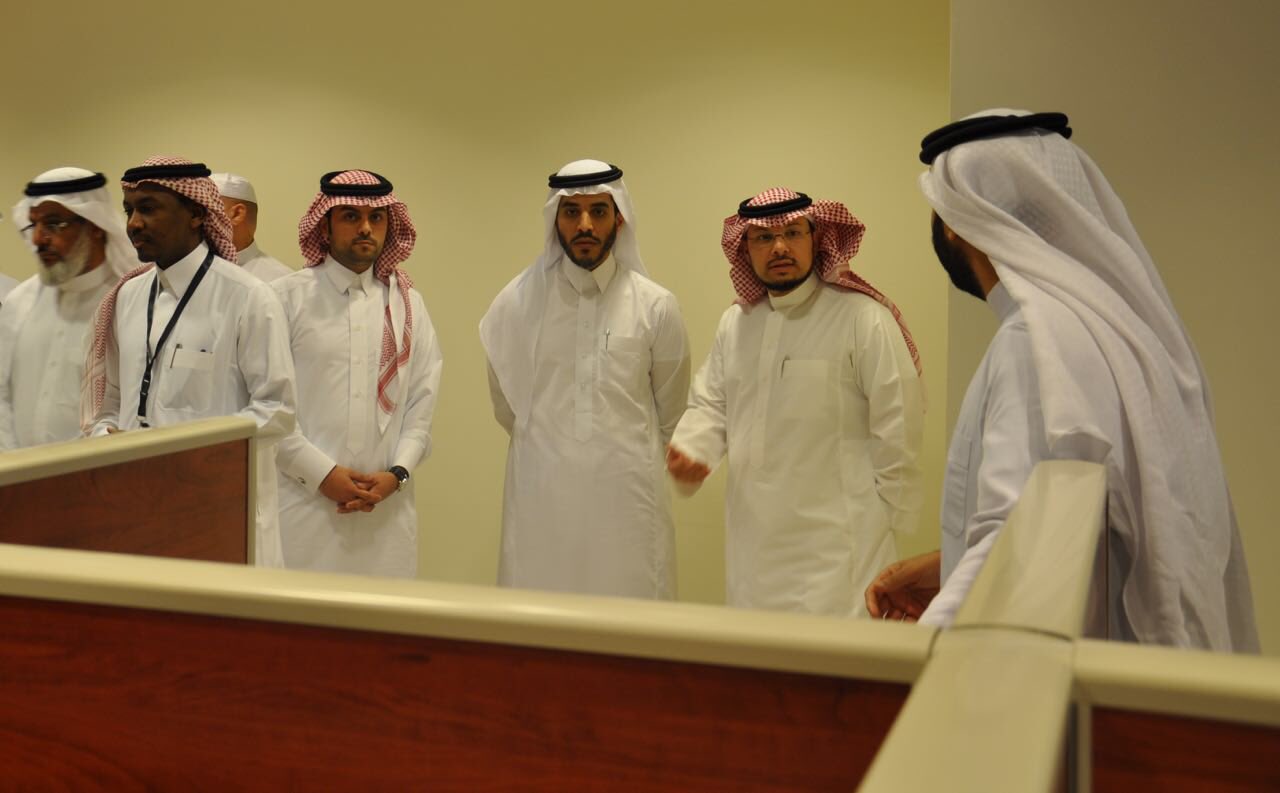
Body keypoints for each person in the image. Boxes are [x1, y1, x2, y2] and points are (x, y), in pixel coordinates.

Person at [865, 110, 1259, 652]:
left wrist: (910, 663)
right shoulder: (1108, 327)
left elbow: (1013, 541)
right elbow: (1067, 514)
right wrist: (948, 565)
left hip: (1059, 669)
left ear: (958, 218)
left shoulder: (1034, 342)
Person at [667, 188, 925, 617]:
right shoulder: (736, 324)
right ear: (745, 248)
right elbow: (712, 403)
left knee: (835, 655)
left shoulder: (862, 318)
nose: (779, 247)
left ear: (816, 237)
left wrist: (886, 521)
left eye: (792, 233)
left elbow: (898, 424)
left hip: (841, 553)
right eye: (764, 238)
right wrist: (693, 449)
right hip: (754, 550)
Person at [480, 159, 691, 597]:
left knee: (632, 619)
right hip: (541, 497)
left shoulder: (656, 306)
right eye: (572, 212)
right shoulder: (515, 304)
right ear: (554, 219)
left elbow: (670, 410)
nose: (585, 225)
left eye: (598, 211)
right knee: (538, 617)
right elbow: (507, 405)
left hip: (629, 500)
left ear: (619, 218)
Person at [82, 156, 296, 566]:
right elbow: (110, 401)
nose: (134, 224)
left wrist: (184, 453)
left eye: (148, 208)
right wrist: (106, 437)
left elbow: (277, 410)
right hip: (135, 505)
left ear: (197, 214)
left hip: (218, 510)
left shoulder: (248, 297)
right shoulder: (127, 296)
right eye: (129, 210)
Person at [273, 170, 442, 577]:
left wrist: (397, 474)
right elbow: (268, 408)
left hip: (387, 515)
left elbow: (421, 405)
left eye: (376, 217)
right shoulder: (284, 299)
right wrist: (322, 475)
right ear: (325, 227)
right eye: (350, 216)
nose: (366, 227)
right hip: (302, 508)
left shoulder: (408, 305)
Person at [0, 168, 132, 449]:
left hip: (98, 469)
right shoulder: (19, 301)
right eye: (33, 225)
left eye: (53, 224)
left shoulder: (130, 302)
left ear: (95, 225)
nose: (38, 239)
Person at [210, 172, 292, 281]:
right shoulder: (190, 268)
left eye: (207, 208)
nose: (195, 218)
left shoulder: (282, 282)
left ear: (237, 214)